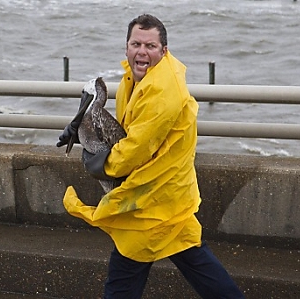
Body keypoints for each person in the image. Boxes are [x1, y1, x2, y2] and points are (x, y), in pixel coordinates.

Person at [57, 14, 245, 299]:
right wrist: (81, 126)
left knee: (127, 268)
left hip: (154, 200)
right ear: (126, 47)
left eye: (150, 46)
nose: (142, 51)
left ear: (164, 50)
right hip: (164, 195)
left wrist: (98, 163)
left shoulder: (162, 91)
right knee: (193, 263)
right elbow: (126, 129)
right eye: (136, 44)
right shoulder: (137, 77)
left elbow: (134, 149)